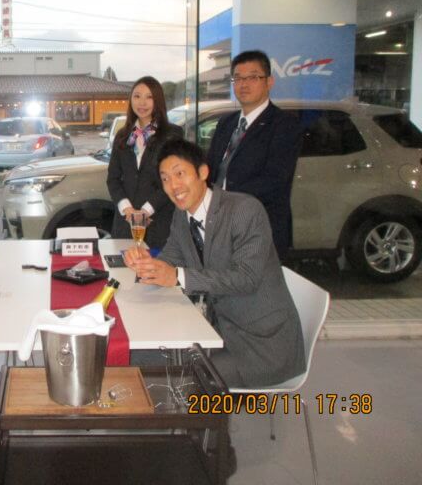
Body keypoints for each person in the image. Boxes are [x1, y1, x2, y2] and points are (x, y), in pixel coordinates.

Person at [125, 138, 304, 388]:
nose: (173, 185)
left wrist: (176, 276)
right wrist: (147, 265)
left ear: (203, 172)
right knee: (145, 356)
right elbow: (170, 259)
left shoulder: (245, 210)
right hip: (218, 330)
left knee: (182, 377)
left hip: (262, 345)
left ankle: (202, 415)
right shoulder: (181, 216)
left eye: (179, 174)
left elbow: (246, 279)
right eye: (165, 179)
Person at [206, 49, 302, 259]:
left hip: (260, 227)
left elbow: (275, 179)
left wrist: (221, 198)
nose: (244, 84)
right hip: (220, 226)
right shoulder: (226, 123)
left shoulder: (284, 125)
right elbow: (211, 169)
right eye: (238, 78)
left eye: (253, 77)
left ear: (269, 82)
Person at [106, 76, 183, 248]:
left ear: (158, 101)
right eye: (137, 96)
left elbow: (173, 180)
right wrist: (127, 209)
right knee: (123, 265)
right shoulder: (123, 135)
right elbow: (113, 179)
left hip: (158, 224)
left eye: (149, 97)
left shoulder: (172, 135)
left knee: (155, 264)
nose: (142, 102)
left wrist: (145, 211)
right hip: (125, 225)